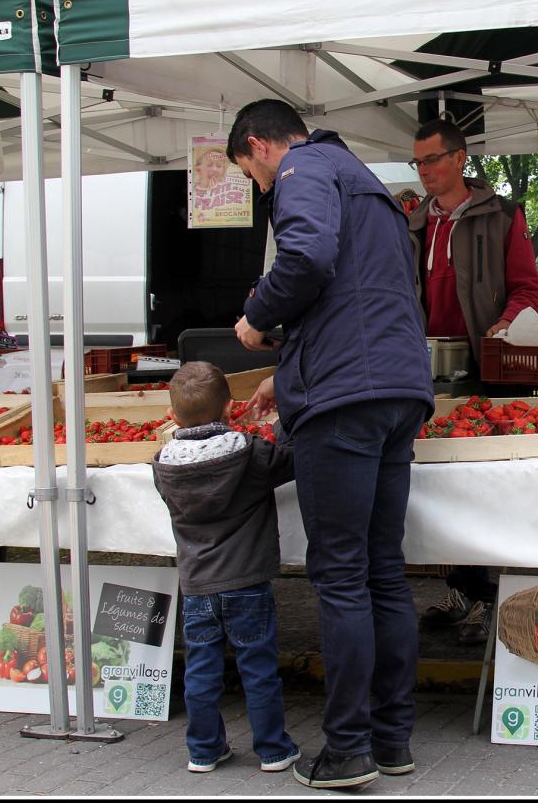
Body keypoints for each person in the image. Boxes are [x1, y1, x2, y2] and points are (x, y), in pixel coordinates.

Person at [228, 99, 434, 789]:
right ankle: (391, 739)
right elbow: (360, 297)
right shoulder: (365, 179)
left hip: (346, 402)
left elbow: (310, 256)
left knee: (341, 574)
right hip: (397, 387)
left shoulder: (302, 169)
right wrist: (287, 377)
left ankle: (346, 749)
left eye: (252, 174)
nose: (262, 189)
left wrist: (259, 319)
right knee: (382, 568)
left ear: (260, 146)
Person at [404, 118, 538, 647]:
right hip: (425, 371)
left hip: (487, 372)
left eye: (433, 160)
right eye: (418, 162)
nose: (425, 171)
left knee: (487, 487)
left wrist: (505, 324)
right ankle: (463, 588)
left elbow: (528, 289)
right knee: (442, 485)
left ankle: (498, 598)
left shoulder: (502, 216)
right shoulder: (413, 223)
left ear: (460, 159)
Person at [151, 361, 301, 776]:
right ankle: (273, 750)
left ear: (173, 416)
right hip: (248, 582)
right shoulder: (250, 454)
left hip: (197, 586)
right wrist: (283, 416)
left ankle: (203, 749)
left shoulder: (162, 464)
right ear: (230, 408)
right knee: (258, 670)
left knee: (201, 672)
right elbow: (290, 458)